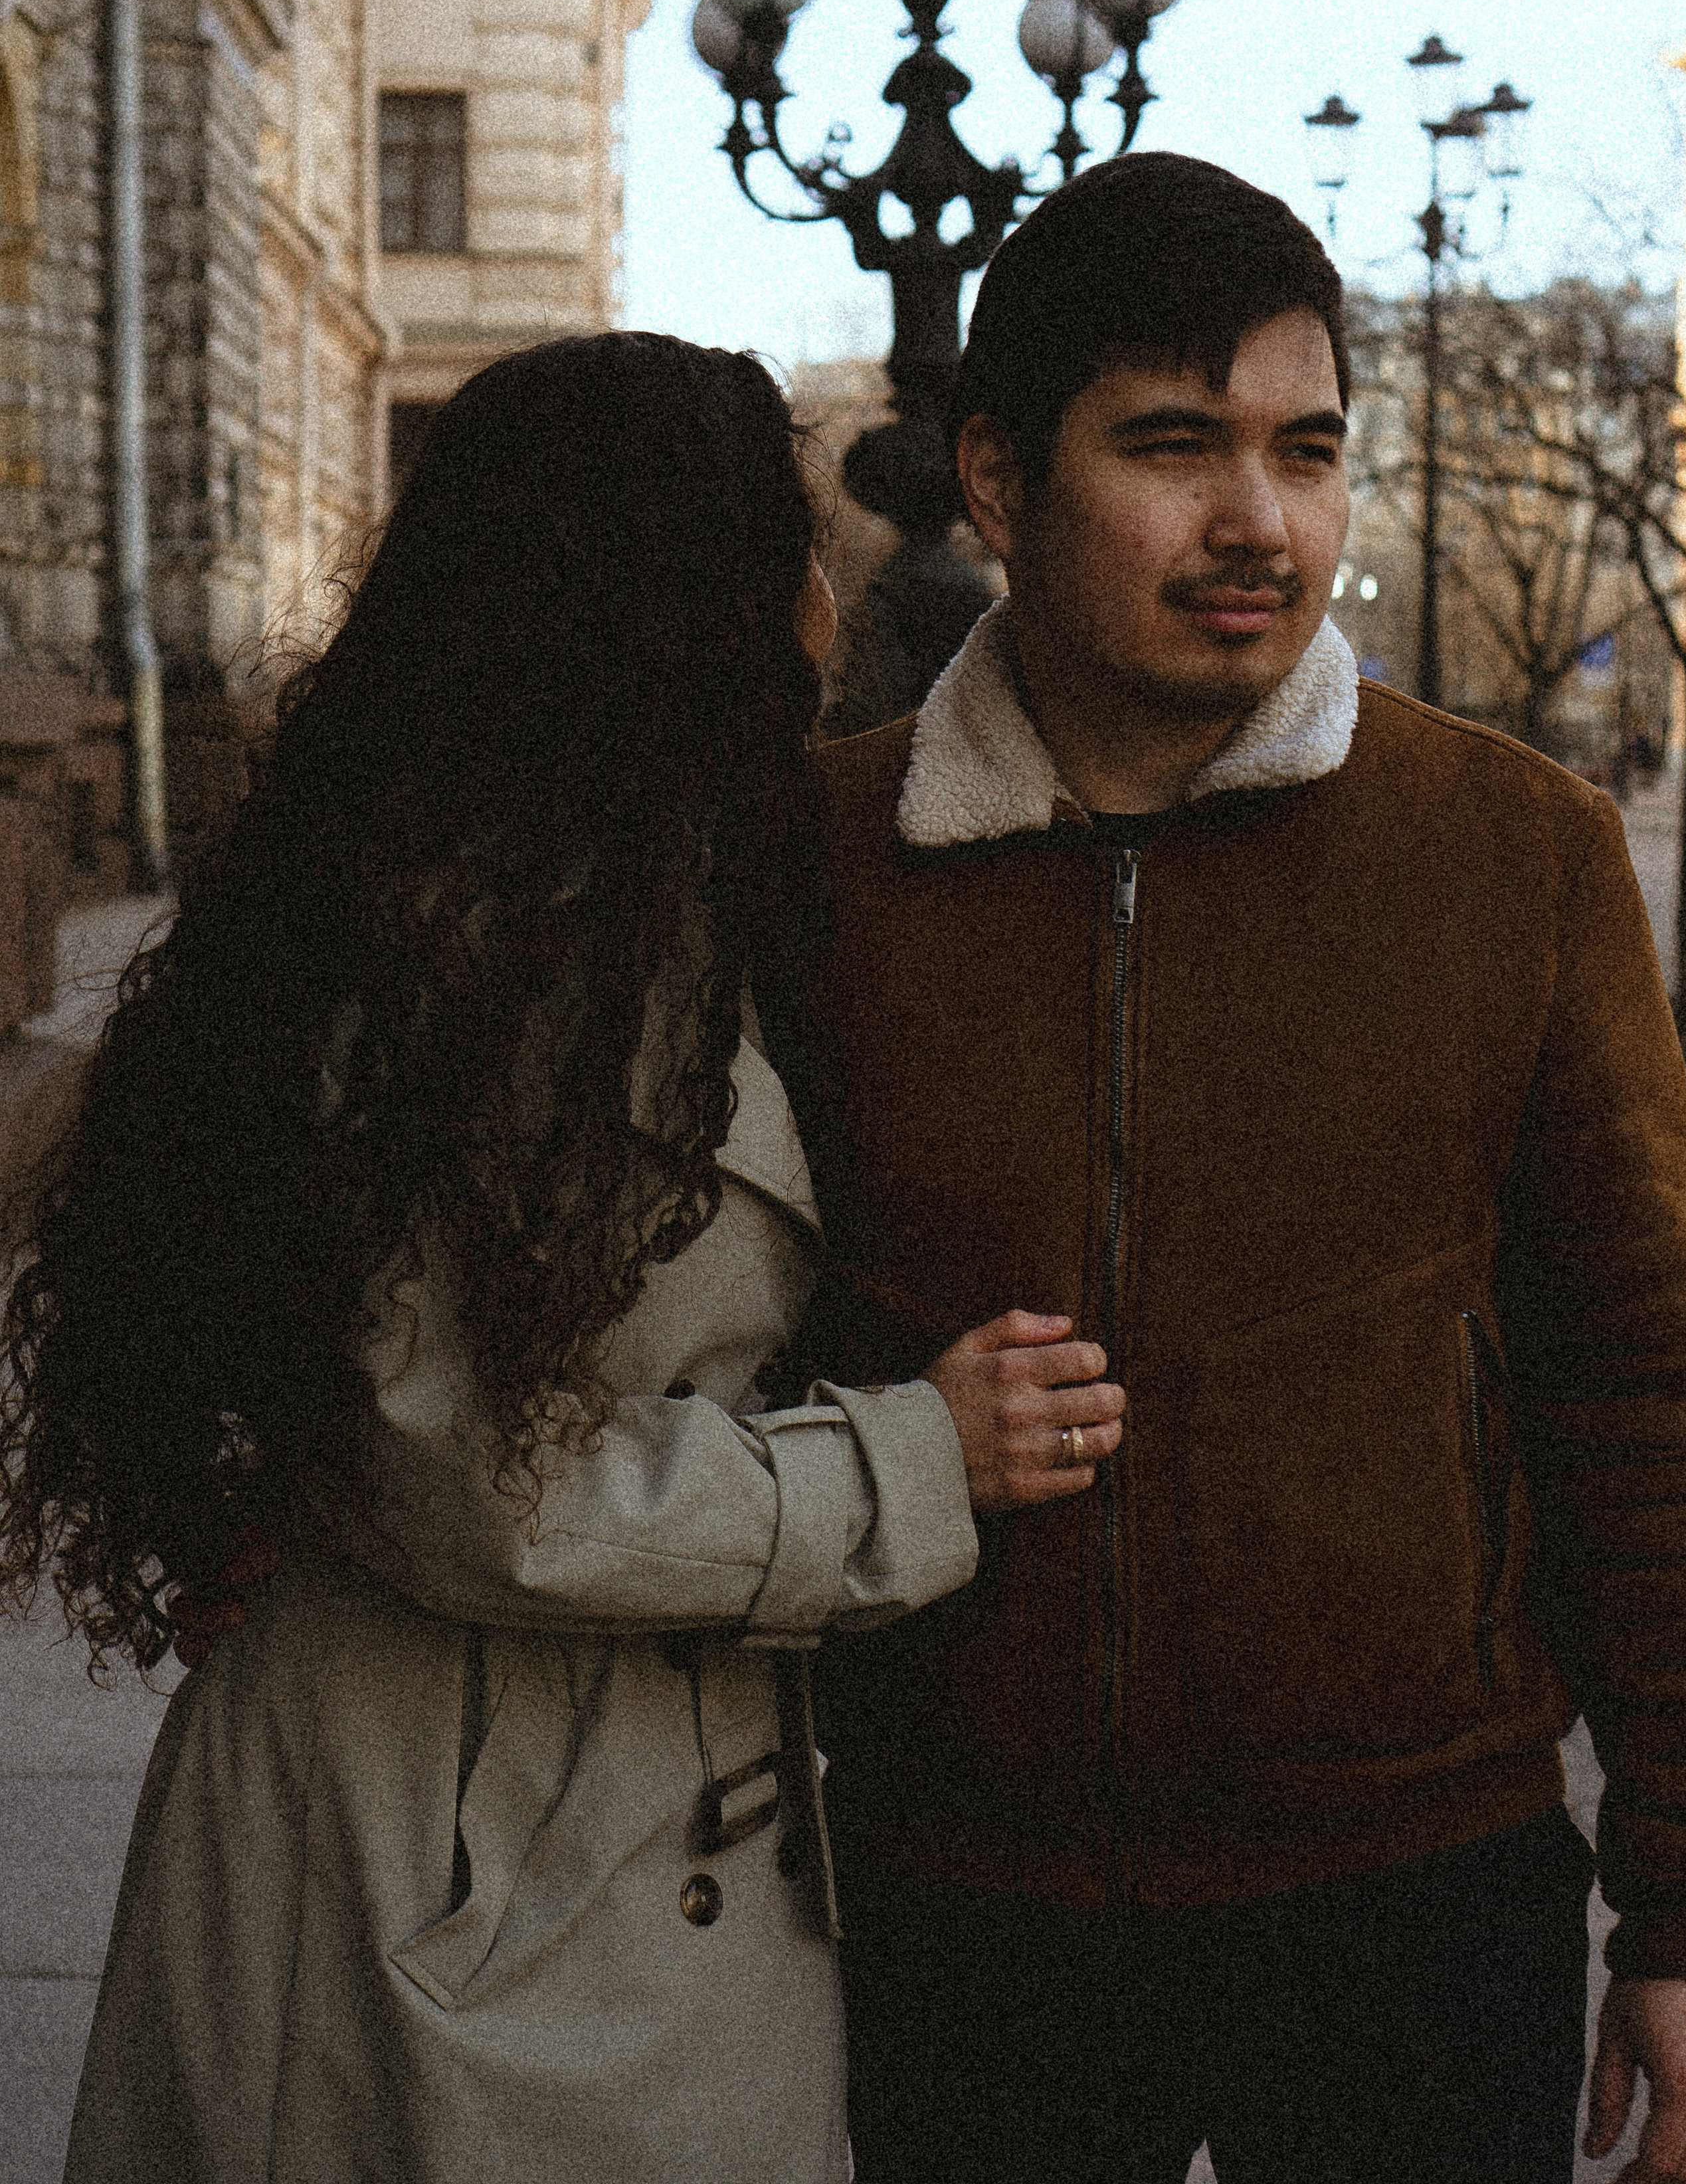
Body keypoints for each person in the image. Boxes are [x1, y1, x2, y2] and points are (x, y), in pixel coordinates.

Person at [0, 333, 1125, 2184]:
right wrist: (922, 1460)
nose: (831, 599)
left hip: (569, 1840)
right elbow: (477, 1482)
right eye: (789, 546)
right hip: (454, 1870)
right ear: (685, 598)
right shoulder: (472, 945)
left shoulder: (609, 891)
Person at [808, 154, 1686, 2184]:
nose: (1261, 523)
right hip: (955, 1908)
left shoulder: (1515, 855)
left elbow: (1651, 1392)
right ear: (1000, 482)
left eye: (1309, 453)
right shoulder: (815, 866)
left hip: (1416, 1901)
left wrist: (1684, 1911)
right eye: (1172, 446)